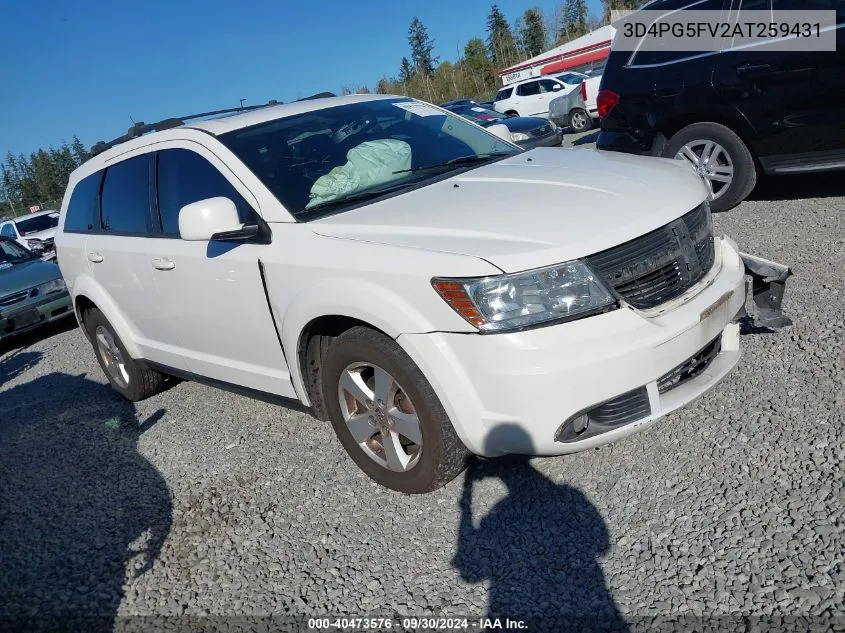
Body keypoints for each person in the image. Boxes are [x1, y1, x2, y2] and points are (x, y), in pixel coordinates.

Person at [452, 425, 628, 633]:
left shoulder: (499, 512)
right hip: (596, 601)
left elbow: (470, 572)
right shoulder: (571, 496)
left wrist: (466, 509)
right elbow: (602, 546)